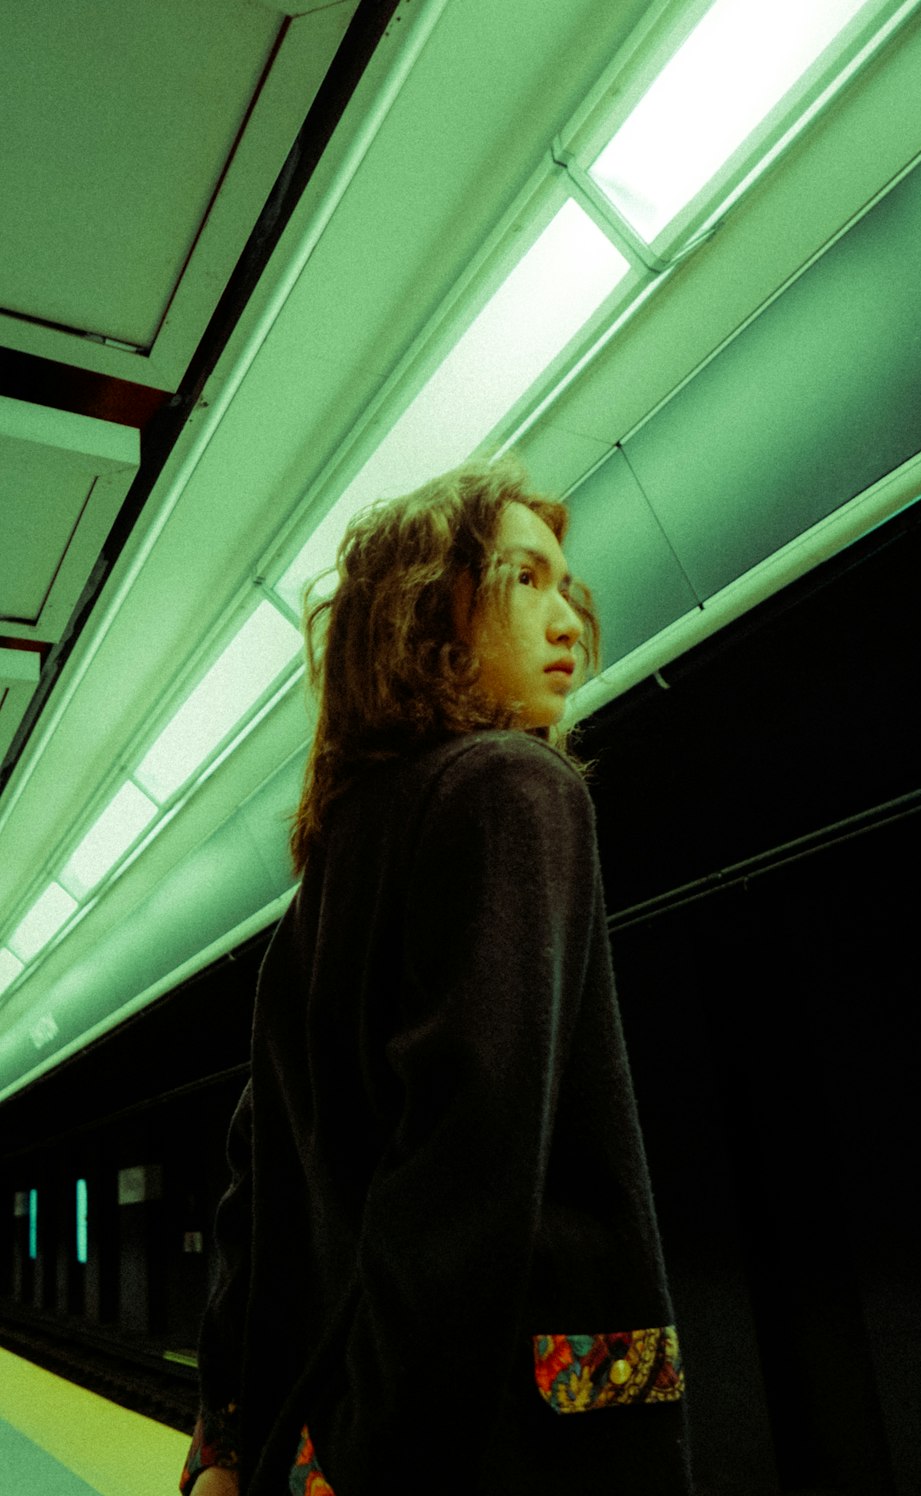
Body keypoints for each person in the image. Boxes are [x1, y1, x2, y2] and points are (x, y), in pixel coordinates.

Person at [179, 459, 691, 1495]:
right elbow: (471, 1156)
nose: (567, 621)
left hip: (322, 1413)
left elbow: (260, 1179)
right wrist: (369, 1460)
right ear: (435, 609)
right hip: (504, 1438)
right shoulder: (514, 785)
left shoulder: (326, 874)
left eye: (566, 587)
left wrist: (226, 1434)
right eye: (526, 579)